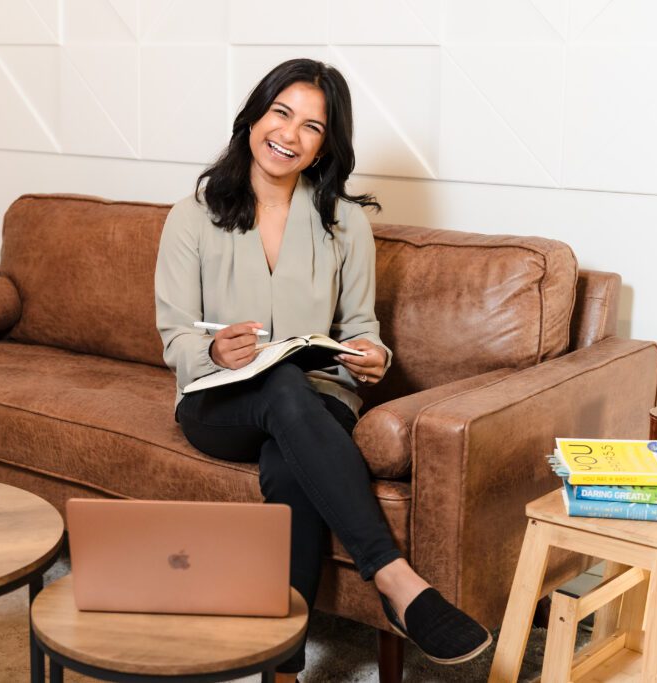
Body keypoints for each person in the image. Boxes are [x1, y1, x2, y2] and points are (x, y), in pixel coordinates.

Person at [154, 58, 491, 680]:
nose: (289, 133)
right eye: (280, 112)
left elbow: (360, 327)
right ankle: (395, 578)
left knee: (290, 463)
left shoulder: (346, 222)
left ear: (324, 145)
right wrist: (213, 352)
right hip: (218, 399)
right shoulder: (192, 215)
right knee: (276, 381)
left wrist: (373, 356)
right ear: (254, 117)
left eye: (312, 126)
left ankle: (281, 669)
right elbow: (175, 334)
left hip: (318, 395)